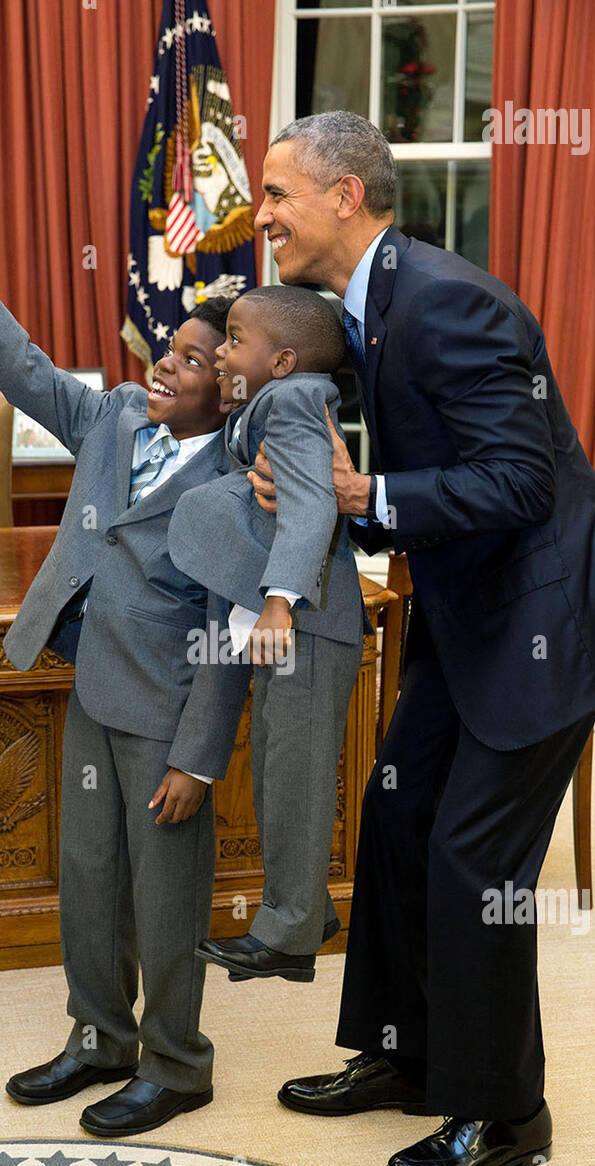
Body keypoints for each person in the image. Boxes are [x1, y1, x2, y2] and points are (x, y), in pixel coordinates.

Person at [247, 112, 595, 1166]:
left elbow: (519, 482)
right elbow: (418, 484)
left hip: (547, 614)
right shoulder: (366, 305)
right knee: (396, 815)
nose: (261, 216)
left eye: (275, 193)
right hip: (467, 607)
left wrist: (362, 493)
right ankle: (404, 1056)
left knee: (472, 858)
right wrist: (334, 501)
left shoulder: (447, 301)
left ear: (344, 195)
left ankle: (502, 1111)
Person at [0, 172, 250, 1139]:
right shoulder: (111, 419)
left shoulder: (237, 483)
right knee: (90, 876)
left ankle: (178, 1063)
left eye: (189, 363)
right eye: (168, 349)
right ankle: (100, 1036)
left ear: (227, 393)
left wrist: (197, 756)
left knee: (166, 889)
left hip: (171, 713)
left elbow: (233, 634)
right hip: (95, 687)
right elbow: (20, 365)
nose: (163, 366)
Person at [166, 286, 367, 985]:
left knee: (295, 780)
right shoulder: (271, 402)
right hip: (293, 628)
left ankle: (286, 933)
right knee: (286, 774)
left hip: (306, 623)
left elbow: (311, 505)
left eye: (235, 340)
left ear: (281, 360)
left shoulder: (291, 402)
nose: (220, 351)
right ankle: (309, 912)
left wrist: (279, 602)